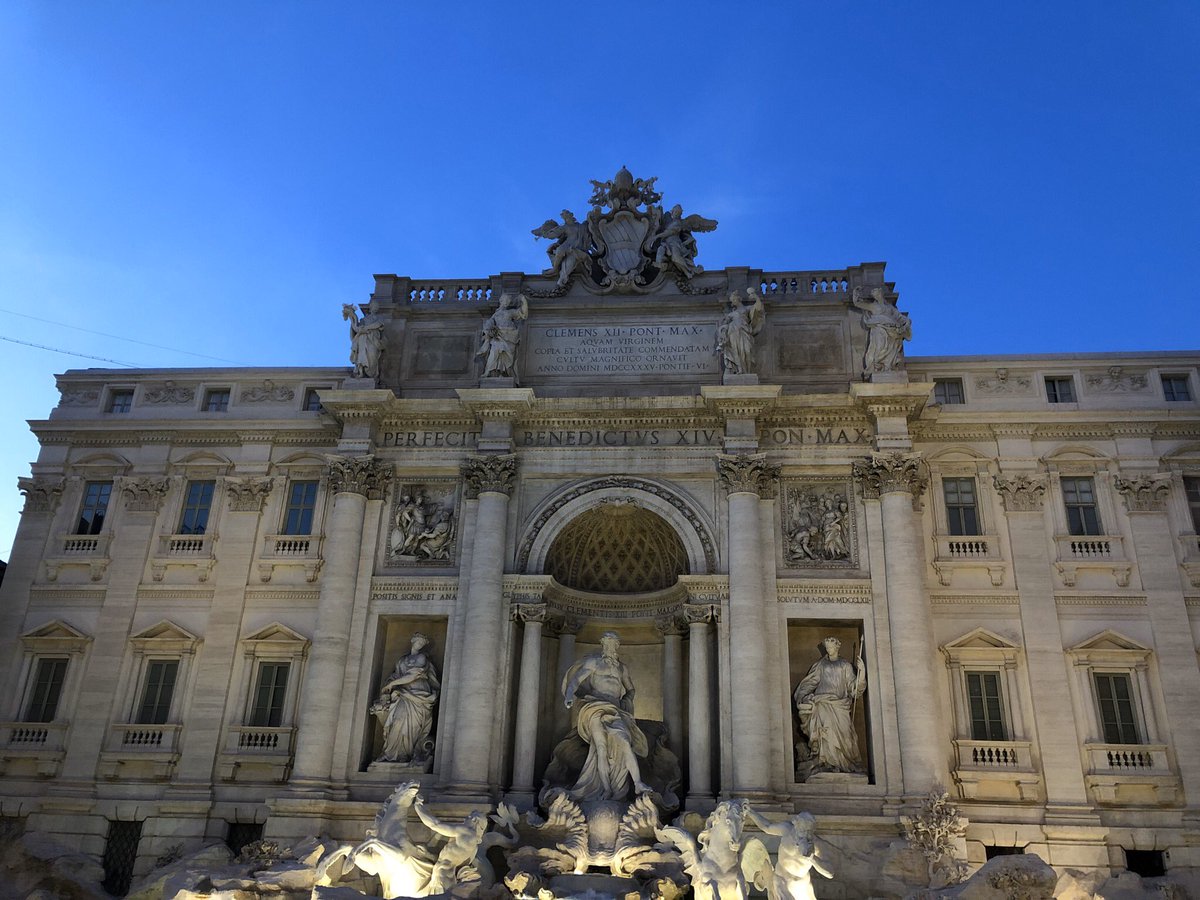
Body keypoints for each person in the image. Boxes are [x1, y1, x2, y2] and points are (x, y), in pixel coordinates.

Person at [561, 631, 652, 800]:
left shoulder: (621, 668)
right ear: (602, 644)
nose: (610, 646)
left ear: (617, 646)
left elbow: (630, 689)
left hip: (615, 710)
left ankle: (638, 783)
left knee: (625, 741)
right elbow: (576, 680)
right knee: (600, 748)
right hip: (595, 707)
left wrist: (626, 701)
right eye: (608, 642)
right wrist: (568, 696)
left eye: (614, 643)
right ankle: (606, 788)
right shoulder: (593, 662)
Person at [793, 637, 865, 776]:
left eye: (831, 648)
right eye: (827, 648)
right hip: (822, 703)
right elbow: (810, 683)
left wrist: (861, 674)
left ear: (837, 648)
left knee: (846, 736)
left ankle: (845, 763)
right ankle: (825, 762)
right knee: (825, 733)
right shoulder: (821, 665)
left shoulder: (845, 665)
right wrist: (803, 697)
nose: (829, 650)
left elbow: (854, 689)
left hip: (840, 705)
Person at [371, 633, 441, 764]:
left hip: (419, 695)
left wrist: (392, 684)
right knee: (397, 721)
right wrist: (389, 684)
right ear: (412, 641)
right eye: (418, 642)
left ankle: (405, 754)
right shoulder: (402, 660)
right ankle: (390, 753)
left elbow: (412, 676)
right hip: (402, 694)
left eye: (422, 643)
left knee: (412, 727)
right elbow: (396, 675)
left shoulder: (421, 658)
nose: (419, 645)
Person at [744, 809, 832, 900]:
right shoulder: (786, 830)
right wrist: (750, 812)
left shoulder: (816, 844)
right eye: (802, 831)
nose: (805, 835)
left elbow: (830, 873)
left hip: (802, 884)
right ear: (796, 825)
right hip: (781, 879)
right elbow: (767, 826)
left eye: (808, 832)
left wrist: (812, 858)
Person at [411, 796, 489, 894]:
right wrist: (428, 855)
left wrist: (418, 807)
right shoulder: (474, 845)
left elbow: (435, 824)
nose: (466, 819)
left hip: (442, 874)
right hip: (447, 875)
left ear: (474, 820)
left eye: (468, 817)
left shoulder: (465, 831)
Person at [851, 285, 911, 378]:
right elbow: (857, 303)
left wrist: (906, 321)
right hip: (879, 330)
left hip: (891, 331)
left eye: (876, 292)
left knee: (890, 349)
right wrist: (856, 293)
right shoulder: (872, 306)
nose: (875, 294)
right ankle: (878, 366)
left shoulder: (889, 307)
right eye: (873, 293)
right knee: (879, 347)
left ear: (880, 293)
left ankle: (887, 367)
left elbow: (899, 316)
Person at [532, 211, 592, 287]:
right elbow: (554, 234)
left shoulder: (581, 226)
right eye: (564, 217)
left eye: (566, 215)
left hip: (578, 247)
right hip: (567, 246)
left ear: (571, 215)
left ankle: (558, 272)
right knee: (560, 250)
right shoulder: (564, 227)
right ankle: (555, 268)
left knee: (564, 252)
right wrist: (545, 233)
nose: (566, 218)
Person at [477, 293, 529, 379]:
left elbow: (523, 313)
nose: (508, 302)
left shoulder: (510, 312)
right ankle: (489, 371)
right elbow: (489, 324)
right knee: (494, 352)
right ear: (501, 301)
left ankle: (505, 373)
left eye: (509, 300)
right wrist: (489, 331)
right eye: (506, 300)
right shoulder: (495, 314)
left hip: (511, 337)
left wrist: (523, 300)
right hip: (498, 336)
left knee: (508, 356)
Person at [715, 288, 765, 376]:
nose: (733, 302)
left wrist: (756, 297)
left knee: (747, 351)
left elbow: (758, 309)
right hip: (733, 332)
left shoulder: (747, 309)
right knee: (735, 351)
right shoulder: (730, 314)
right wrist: (722, 332)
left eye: (734, 299)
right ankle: (740, 370)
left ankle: (747, 371)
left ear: (739, 299)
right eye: (732, 300)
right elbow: (724, 325)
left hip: (744, 332)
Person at [342, 300, 387, 379]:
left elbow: (378, 324)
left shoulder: (380, 318)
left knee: (372, 357)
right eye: (374, 306)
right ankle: (361, 372)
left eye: (377, 306)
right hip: (363, 339)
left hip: (374, 339)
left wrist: (366, 328)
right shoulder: (363, 320)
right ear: (370, 307)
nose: (376, 307)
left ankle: (370, 373)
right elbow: (357, 328)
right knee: (362, 356)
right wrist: (352, 317)